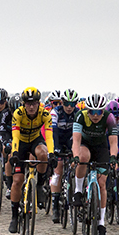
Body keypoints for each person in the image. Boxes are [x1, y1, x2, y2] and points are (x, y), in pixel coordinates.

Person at [71, 94, 119, 235]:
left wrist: (113, 157)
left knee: (102, 183)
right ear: (88, 110)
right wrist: (75, 156)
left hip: (101, 147)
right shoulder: (80, 116)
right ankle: (78, 191)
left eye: (99, 112)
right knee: (83, 158)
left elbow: (113, 142)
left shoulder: (109, 118)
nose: (96, 115)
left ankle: (101, 224)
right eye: (92, 112)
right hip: (85, 145)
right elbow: (76, 140)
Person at [8, 87, 55, 234]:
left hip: (35, 140)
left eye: (34, 103)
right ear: (23, 104)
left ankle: (40, 185)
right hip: (21, 143)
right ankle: (14, 216)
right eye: (28, 103)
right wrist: (15, 152)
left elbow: (48, 136)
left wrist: (52, 154)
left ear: (38, 103)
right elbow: (15, 136)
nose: (31, 106)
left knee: (43, 154)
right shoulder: (18, 114)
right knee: (17, 181)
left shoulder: (45, 114)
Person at [48, 88, 79, 223]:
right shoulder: (55, 112)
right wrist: (55, 149)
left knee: (77, 165)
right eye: (66, 104)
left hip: (71, 139)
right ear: (62, 103)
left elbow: (79, 135)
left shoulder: (78, 114)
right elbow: (53, 132)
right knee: (58, 169)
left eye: (72, 104)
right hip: (58, 139)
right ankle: (55, 205)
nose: (69, 107)